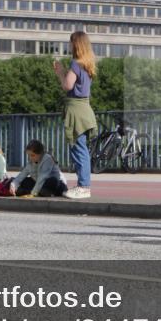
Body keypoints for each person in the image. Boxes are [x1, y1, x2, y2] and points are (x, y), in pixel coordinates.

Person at [55, 31, 98, 199]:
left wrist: (59, 72)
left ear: (76, 44)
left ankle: (84, 186)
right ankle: (83, 184)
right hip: (85, 109)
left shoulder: (76, 63)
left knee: (79, 149)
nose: (69, 45)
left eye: (70, 42)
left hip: (76, 110)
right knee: (82, 149)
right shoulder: (87, 64)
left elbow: (67, 85)